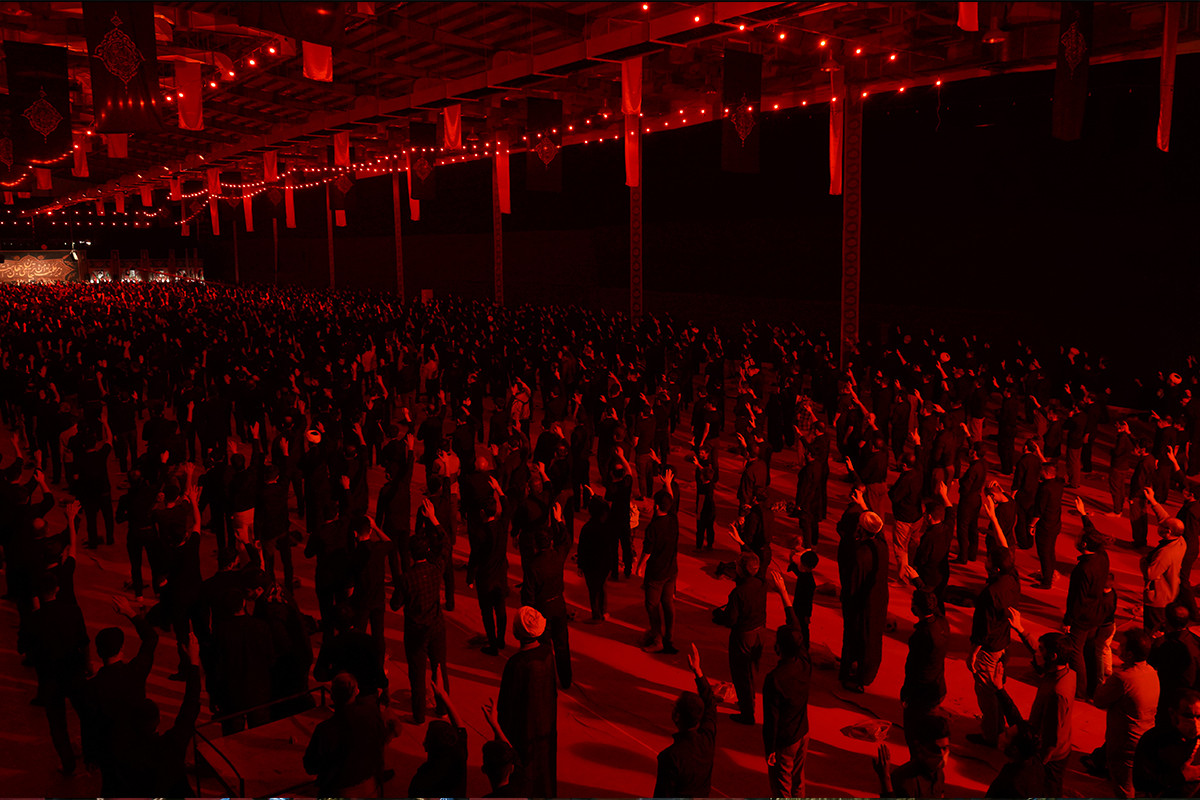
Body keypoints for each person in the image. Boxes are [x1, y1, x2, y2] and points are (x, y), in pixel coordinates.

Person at [83, 595, 159, 790]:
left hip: (110, 748)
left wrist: (90, 756)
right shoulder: (135, 671)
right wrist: (130, 612)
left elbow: (89, 724)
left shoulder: (92, 687)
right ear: (122, 648)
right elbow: (151, 638)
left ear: (99, 652)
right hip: (137, 741)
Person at [390, 511, 448, 724]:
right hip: (436, 625)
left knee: (417, 672)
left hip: (416, 629)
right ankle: (442, 706)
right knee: (439, 667)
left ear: (411, 554)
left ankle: (419, 713)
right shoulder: (436, 569)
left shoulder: (407, 578)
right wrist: (434, 519)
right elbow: (446, 545)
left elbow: (395, 604)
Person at [498, 606, 558, 799]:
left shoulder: (516, 664)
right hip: (545, 730)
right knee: (545, 776)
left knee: (524, 781)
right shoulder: (547, 654)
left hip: (523, 736)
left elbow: (506, 707)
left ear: (516, 631)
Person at [1094, 627, 1161, 798]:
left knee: (1124, 787)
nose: (1118, 647)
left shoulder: (1123, 678)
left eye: (1122, 645)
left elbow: (1099, 700)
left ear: (1130, 654)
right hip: (1145, 736)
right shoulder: (1151, 672)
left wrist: (1101, 682)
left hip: (1125, 742)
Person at [303, 672, 394, 797]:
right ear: (356, 691)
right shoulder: (371, 717)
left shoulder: (325, 730)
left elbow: (310, 766)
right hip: (369, 786)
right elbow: (381, 741)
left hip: (339, 790)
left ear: (332, 696)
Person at [762, 572, 812, 797]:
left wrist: (770, 748)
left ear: (777, 649)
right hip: (803, 732)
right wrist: (784, 593)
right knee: (798, 780)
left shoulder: (775, 679)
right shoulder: (804, 662)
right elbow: (796, 626)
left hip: (785, 740)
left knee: (782, 786)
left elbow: (771, 719)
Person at [968, 545, 1020, 747]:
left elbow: (983, 629)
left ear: (996, 568)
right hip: (1003, 641)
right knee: (997, 687)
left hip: (990, 648)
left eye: (988, 559)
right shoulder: (1012, 579)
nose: (985, 561)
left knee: (986, 692)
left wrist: (973, 653)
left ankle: (991, 734)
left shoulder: (990, 594)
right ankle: (997, 725)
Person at [836, 491, 889, 692]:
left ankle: (854, 674)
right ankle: (867, 672)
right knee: (873, 639)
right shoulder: (881, 545)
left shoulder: (861, 554)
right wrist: (863, 503)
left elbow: (854, 586)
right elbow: (878, 527)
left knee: (855, 638)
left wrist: (846, 601)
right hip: (879, 601)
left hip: (861, 605)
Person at [521, 501, 574, 688]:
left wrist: (527, 613)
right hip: (558, 603)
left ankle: (546, 678)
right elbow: (566, 541)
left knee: (544, 646)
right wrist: (559, 521)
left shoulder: (533, 566)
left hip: (542, 608)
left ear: (536, 544)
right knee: (562, 644)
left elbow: (528, 595)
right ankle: (566, 679)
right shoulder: (557, 556)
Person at [1064, 496, 1112, 699]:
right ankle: (1094, 685)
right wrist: (1083, 515)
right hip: (1097, 612)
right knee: (1090, 649)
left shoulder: (1083, 568)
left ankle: (1080, 689)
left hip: (1083, 616)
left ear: (1084, 544)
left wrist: (1068, 620)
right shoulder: (1102, 555)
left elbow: (1077, 598)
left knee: (1076, 651)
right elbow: (1095, 534)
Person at [654, 644, 716, 798]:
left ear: (677, 716)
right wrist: (698, 672)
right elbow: (710, 704)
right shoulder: (707, 740)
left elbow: (663, 795)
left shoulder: (670, 757)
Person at [715, 550, 766, 723]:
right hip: (760, 631)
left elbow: (731, 619)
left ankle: (747, 713)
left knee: (741, 673)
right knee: (751, 670)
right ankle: (749, 701)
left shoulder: (739, 592)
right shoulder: (761, 584)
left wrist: (719, 616)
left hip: (744, 634)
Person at [637, 470, 680, 655]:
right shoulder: (673, 520)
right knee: (668, 603)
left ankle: (657, 638)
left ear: (656, 507)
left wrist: (639, 567)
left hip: (656, 573)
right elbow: (671, 502)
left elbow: (647, 551)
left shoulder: (653, 527)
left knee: (652, 605)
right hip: (671, 570)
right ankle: (669, 636)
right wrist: (668, 484)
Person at [901, 588, 949, 755]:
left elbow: (913, 669)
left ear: (916, 608)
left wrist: (906, 694)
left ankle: (919, 760)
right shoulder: (942, 623)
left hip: (921, 693)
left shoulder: (922, 636)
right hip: (937, 686)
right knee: (929, 729)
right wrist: (916, 580)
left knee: (915, 734)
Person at [1133, 688, 1200, 797]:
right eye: (1188, 716)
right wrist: (1181, 776)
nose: (1195, 722)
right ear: (1173, 714)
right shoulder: (1154, 740)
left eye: (1199, 717)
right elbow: (1141, 781)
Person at [408, 679, 468, 798]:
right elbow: (460, 726)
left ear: (427, 746)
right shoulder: (459, 753)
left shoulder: (424, 777)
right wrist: (444, 695)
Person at [873, 713, 951, 798]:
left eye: (945, 748)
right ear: (919, 747)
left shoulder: (938, 774)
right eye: (935, 749)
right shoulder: (906, 783)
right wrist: (885, 779)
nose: (942, 754)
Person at [1143, 486, 1188, 634]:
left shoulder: (1165, 553)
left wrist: (1143, 561)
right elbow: (1165, 518)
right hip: (1171, 593)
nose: (1159, 526)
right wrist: (1153, 501)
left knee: (1152, 630)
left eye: (1162, 527)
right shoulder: (1180, 540)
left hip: (1158, 598)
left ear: (1168, 532)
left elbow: (1151, 574)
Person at [1149, 601, 1200, 723]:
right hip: (1193, 695)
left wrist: (1154, 640)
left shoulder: (1167, 645)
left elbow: (1150, 662)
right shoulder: (1195, 641)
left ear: (1166, 621)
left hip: (1171, 697)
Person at [1029, 461, 1065, 589]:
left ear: (1046, 473)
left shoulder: (1044, 489)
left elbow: (1039, 510)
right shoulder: (1059, 484)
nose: (1040, 472)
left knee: (1044, 553)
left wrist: (1032, 525)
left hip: (1045, 525)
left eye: (1042, 471)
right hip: (1055, 523)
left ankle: (1046, 581)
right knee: (1050, 551)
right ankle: (1049, 574)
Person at [888, 453, 923, 580]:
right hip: (917, 514)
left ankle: (903, 578)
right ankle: (912, 568)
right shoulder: (918, 473)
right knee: (913, 544)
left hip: (904, 517)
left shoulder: (906, 479)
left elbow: (894, 497)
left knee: (901, 548)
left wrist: (891, 491)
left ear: (904, 465)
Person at [576, 496, 611, 623]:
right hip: (604, 564)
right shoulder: (606, 527)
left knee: (593, 590)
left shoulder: (587, 528)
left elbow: (582, 548)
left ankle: (596, 615)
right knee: (602, 588)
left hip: (590, 565)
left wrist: (580, 565)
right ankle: (603, 611)